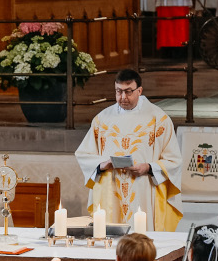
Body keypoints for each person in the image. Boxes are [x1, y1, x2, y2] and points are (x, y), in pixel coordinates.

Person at [75, 69, 181, 230]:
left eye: (128, 92)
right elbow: (83, 154)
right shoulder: (102, 119)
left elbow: (174, 160)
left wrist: (149, 167)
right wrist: (102, 164)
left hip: (143, 187)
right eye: (118, 92)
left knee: (140, 238)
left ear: (139, 90)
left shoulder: (158, 119)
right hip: (110, 188)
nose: (123, 97)